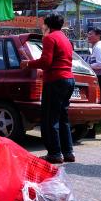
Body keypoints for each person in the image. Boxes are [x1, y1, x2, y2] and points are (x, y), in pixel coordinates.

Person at [21, 14, 75, 164]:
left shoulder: (50, 38)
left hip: (55, 80)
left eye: (43, 24)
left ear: (48, 25)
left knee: (50, 119)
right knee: (63, 117)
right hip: (69, 79)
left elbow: (46, 62)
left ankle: (55, 153)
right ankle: (68, 152)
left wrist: (28, 63)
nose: (42, 26)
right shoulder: (65, 38)